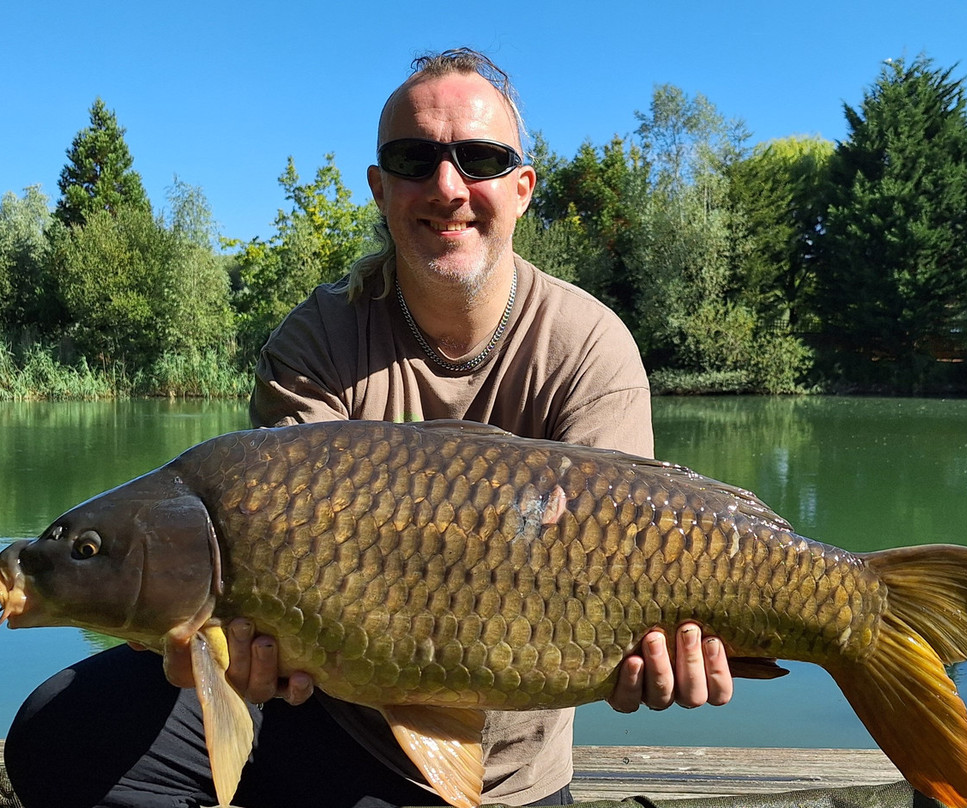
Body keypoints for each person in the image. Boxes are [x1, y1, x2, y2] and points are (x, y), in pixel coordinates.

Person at [5, 48, 732, 808]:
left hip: (510, 769)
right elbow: (261, 593)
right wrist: (209, 655)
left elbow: (631, 563)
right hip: (323, 720)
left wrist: (667, 658)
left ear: (521, 190)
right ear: (380, 189)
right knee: (62, 727)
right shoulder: (316, 340)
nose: (447, 187)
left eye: (479, 159)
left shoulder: (589, 346)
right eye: (414, 159)